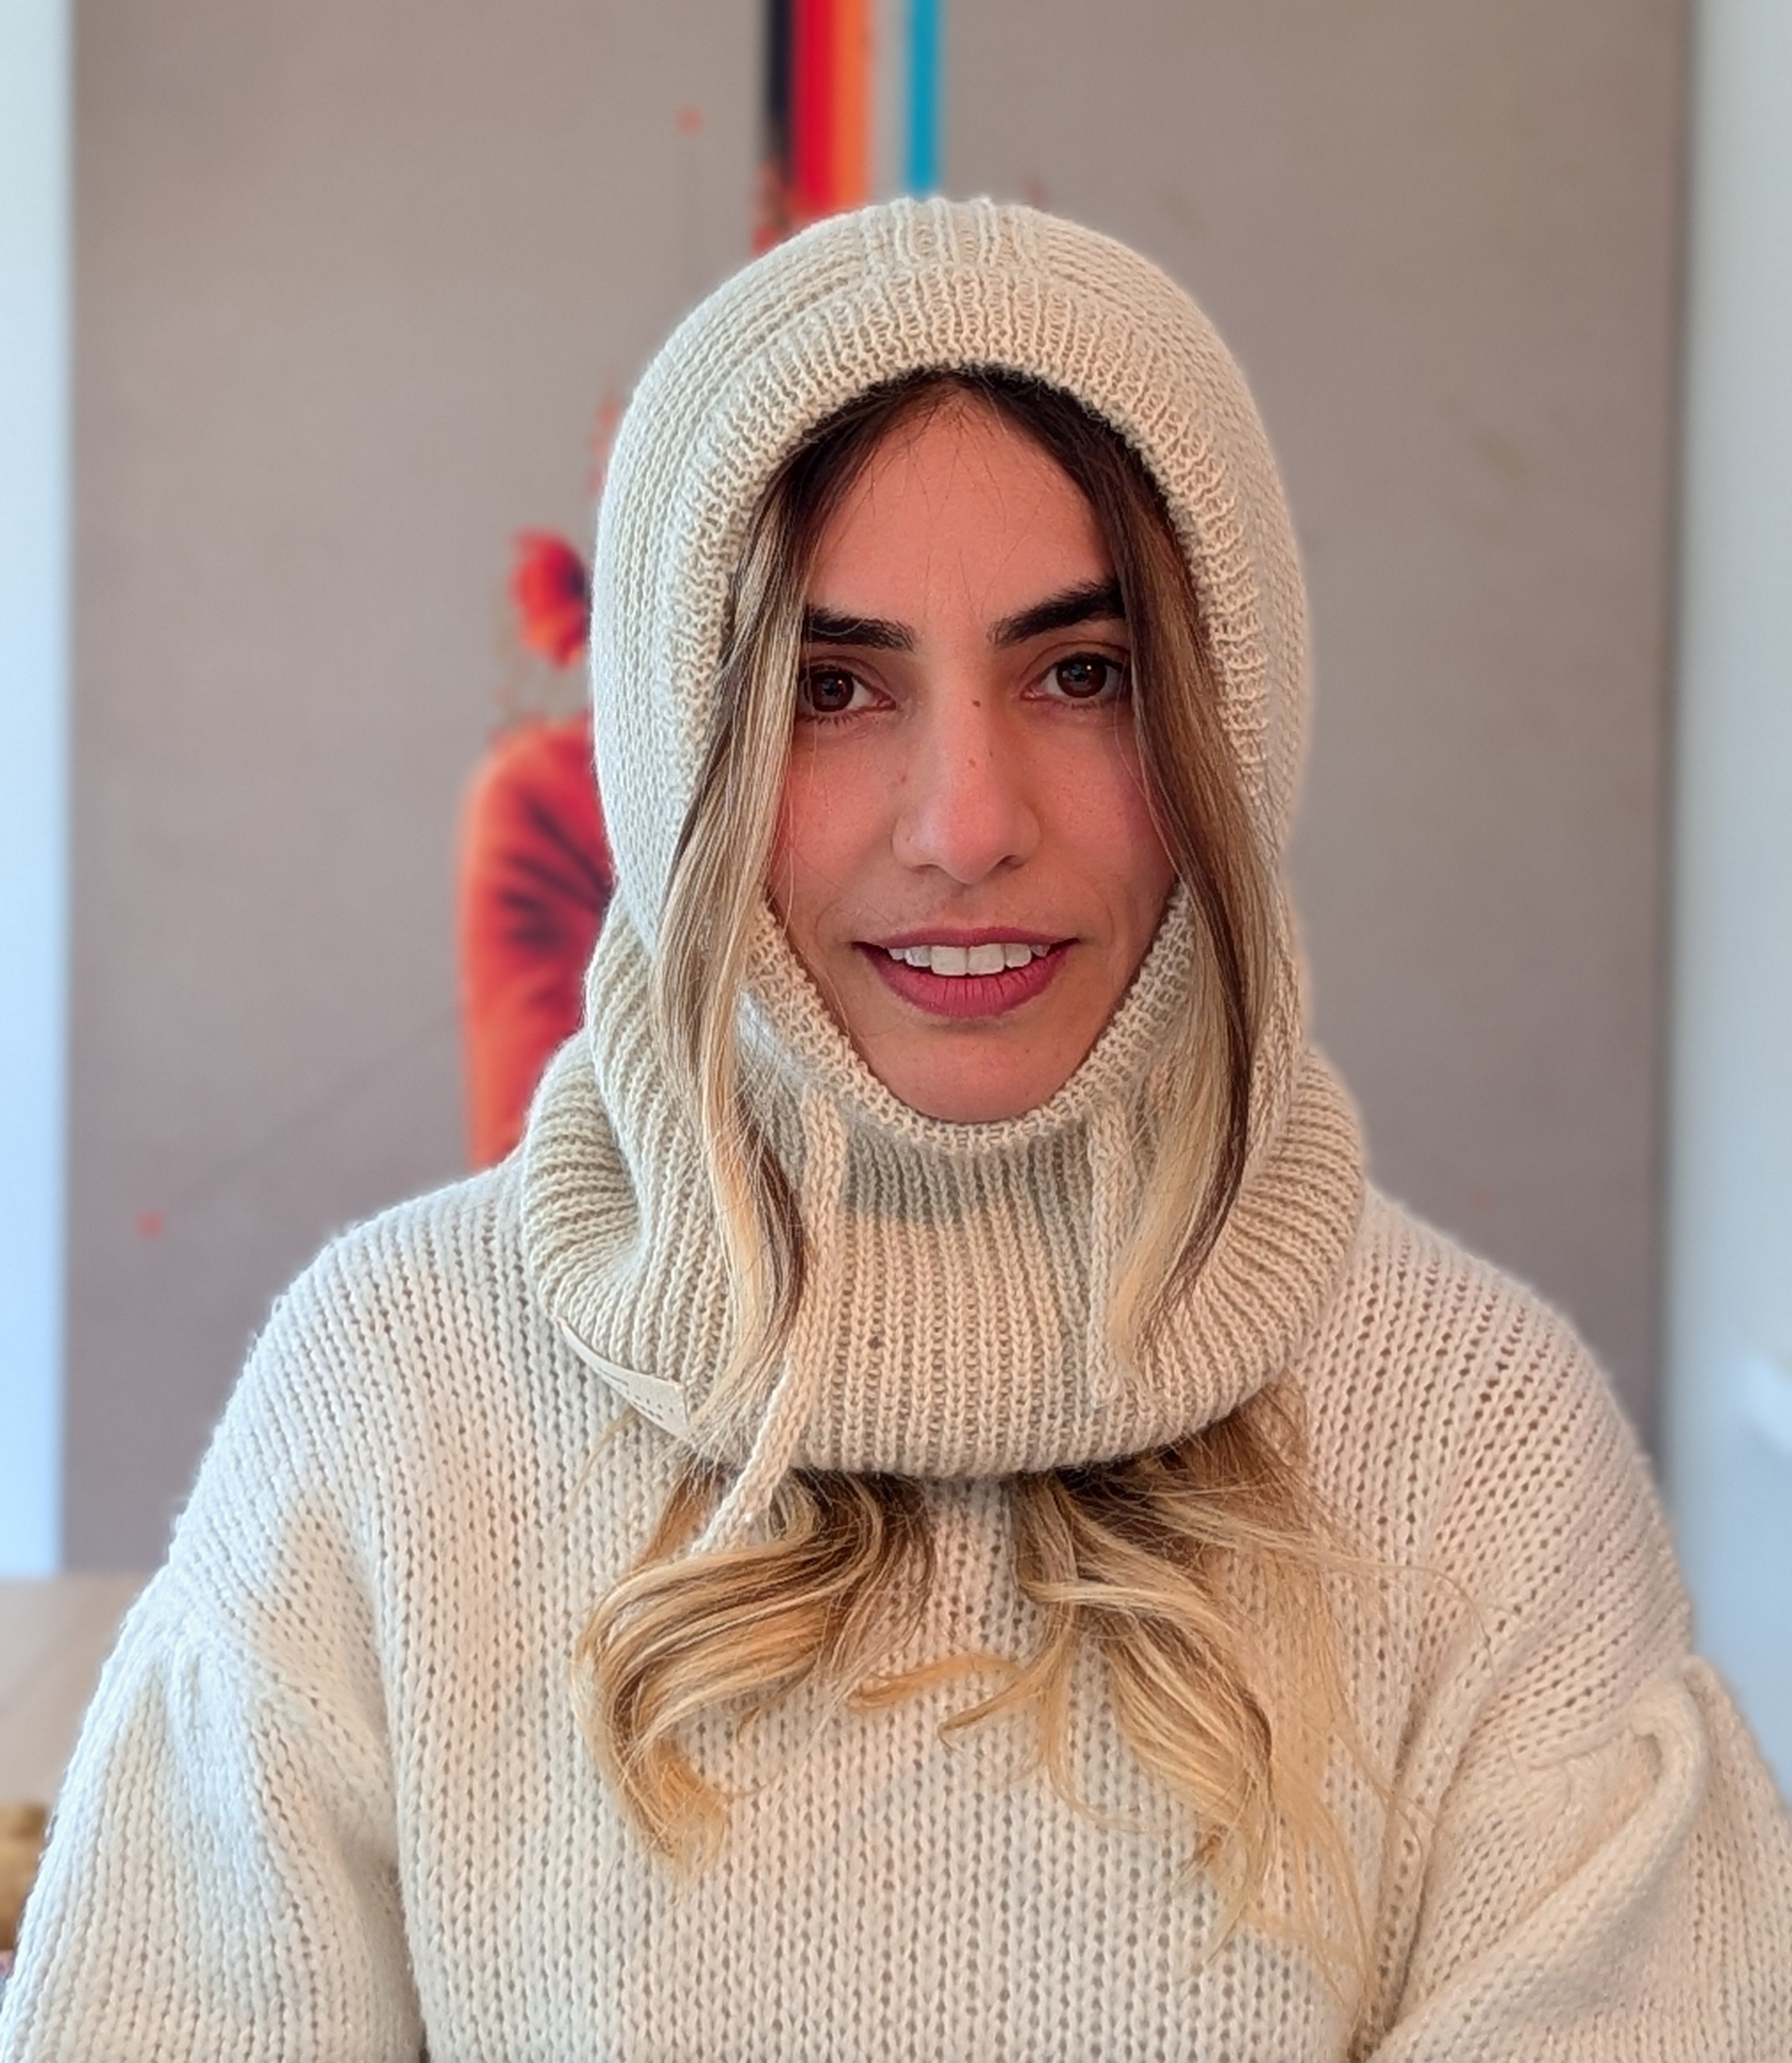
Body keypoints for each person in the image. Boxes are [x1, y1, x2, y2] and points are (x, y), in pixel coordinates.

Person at [4, 200, 1788, 2060]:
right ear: (677, 749)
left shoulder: (1482, 1448)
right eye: (831, 688)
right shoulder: (389, 1405)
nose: (966, 822)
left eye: (1082, 674)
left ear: (1230, 722)